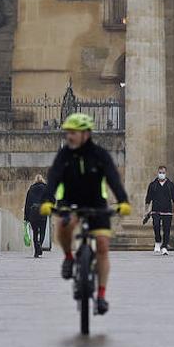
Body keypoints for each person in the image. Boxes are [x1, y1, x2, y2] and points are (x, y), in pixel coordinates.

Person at [36, 113, 131, 315]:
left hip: (97, 203)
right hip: (71, 202)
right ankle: (69, 257)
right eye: (67, 132)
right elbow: (53, 178)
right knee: (64, 224)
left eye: (73, 133)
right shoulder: (64, 155)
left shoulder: (100, 155)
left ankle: (102, 295)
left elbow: (113, 178)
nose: (69, 137)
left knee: (103, 246)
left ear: (86, 134)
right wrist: (47, 200)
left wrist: (123, 201)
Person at [145, 165, 174, 255]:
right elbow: (148, 199)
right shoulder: (153, 185)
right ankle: (157, 241)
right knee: (156, 225)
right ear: (157, 173)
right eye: (160, 172)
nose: (161, 174)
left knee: (167, 229)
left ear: (166, 173)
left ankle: (165, 246)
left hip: (167, 211)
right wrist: (146, 210)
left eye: (163, 173)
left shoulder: (170, 185)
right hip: (156, 210)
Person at [23, 174, 51, 258]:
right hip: (43, 212)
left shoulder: (31, 189)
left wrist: (26, 216)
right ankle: (40, 245)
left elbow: (27, 203)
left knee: (35, 232)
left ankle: (36, 251)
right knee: (42, 231)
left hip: (33, 212)